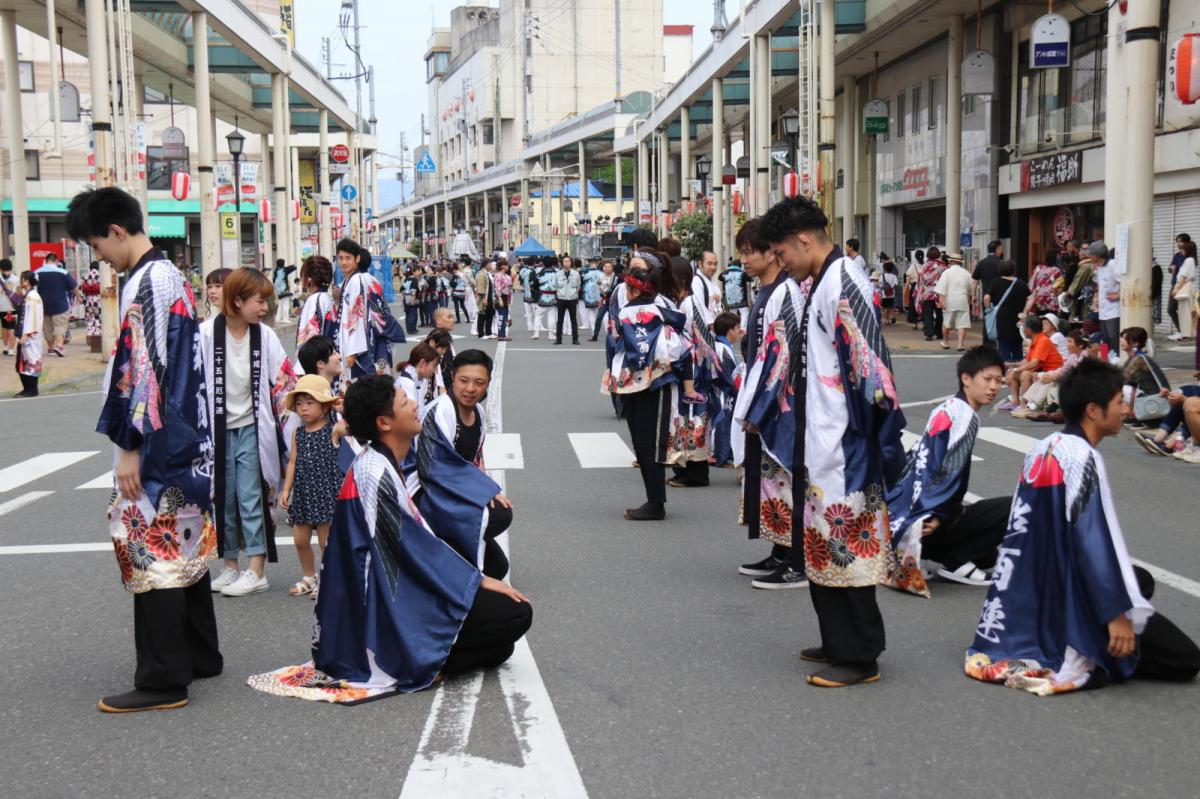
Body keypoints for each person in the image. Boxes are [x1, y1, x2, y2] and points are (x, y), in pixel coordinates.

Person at [248, 375, 532, 703]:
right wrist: (475, 580)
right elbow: (408, 551)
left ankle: (439, 656)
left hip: (383, 586)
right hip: (375, 605)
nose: (414, 404)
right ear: (384, 423)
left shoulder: (380, 459)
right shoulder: (375, 471)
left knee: (501, 644)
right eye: (404, 402)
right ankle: (417, 663)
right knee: (514, 616)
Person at [67, 186, 218, 713]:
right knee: (184, 542)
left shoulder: (149, 282)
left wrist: (130, 444)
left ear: (115, 231)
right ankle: (199, 653)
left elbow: (147, 367)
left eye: (97, 246)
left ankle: (162, 678)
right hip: (183, 436)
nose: (100, 259)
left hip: (158, 440)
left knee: (150, 547)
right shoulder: (168, 275)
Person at [965, 359, 1200, 694]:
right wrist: (1114, 612)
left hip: (1030, 583)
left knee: (1140, 581)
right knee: (1185, 658)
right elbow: (1090, 539)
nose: (1124, 410)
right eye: (1119, 402)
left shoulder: (1045, 447)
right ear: (1093, 409)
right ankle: (1082, 640)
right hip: (1064, 590)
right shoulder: (1083, 458)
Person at [760, 195, 906, 687]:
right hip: (823, 436)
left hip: (847, 441)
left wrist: (875, 439)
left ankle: (861, 654)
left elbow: (870, 367)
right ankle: (838, 640)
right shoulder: (819, 282)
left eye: (781, 253)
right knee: (825, 542)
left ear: (804, 240)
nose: (781, 263)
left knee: (846, 544)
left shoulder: (841, 281)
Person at [200, 268, 296, 598]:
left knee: (251, 496)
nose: (266, 307)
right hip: (218, 431)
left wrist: (295, 426)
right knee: (222, 498)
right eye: (260, 300)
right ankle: (230, 566)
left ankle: (257, 569)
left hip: (254, 430)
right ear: (238, 301)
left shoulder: (265, 336)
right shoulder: (206, 334)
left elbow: (283, 384)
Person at [886, 347, 1010, 595]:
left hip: (906, 520)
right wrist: (937, 512)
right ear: (966, 378)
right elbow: (947, 469)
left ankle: (952, 556)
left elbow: (918, 463)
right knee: (1017, 506)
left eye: (999, 381)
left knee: (989, 557)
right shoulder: (965, 417)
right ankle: (957, 561)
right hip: (929, 520)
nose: (994, 387)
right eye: (987, 379)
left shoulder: (947, 408)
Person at [731, 218, 798, 586]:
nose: (743, 259)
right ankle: (780, 550)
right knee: (770, 481)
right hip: (763, 395)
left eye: (748, 252)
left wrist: (760, 407)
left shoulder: (784, 294)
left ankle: (794, 557)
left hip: (779, 403)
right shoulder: (767, 291)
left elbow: (781, 358)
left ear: (772, 253)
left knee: (783, 479)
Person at [604, 250, 686, 521]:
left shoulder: (646, 310)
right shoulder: (655, 308)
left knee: (646, 442)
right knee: (644, 442)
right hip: (645, 381)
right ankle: (654, 499)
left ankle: (655, 502)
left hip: (644, 382)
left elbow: (616, 343)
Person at [279, 374, 343, 598]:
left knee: (326, 542)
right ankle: (309, 576)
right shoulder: (299, 434)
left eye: (310, 402)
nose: (303, 408)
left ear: (325, 406)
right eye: (299, 403)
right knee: (300, 540)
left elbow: (354, 427)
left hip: (327, 492)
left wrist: (340, 408)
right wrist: (286, 489)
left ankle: (328, 579)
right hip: (304, 493)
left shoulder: (335, 429)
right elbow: (293, 462)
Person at [336, 238, 406, 380]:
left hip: (365, 339)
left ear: (357, 259)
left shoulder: (357, 280)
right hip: (375, 334)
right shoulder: (367, 280)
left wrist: (353, 351)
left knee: (366, 384)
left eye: (348, 258)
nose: (343, 262)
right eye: (340, 258)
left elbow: (358, 315)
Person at [999, 316, 1064, 411]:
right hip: (1041, 372)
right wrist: (1011, 366)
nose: (1023, 330)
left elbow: (1034, 363)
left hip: (1051, 374)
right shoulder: (1037, 340)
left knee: (1024, 374)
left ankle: (1024, 405)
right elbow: (1026, 361)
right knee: (1013, 372)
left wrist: (1016, 369)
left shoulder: (1043, 340)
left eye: (1024, 328)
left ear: (1029, 330)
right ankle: (1015, 402)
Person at [984, 260, 1031, 362]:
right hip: (1017, 319)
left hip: (1002, 318)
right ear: (1014, 270)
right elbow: (1031, 297)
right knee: (1017, 345)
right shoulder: (1021, 283)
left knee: (1003, 345)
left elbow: (987, 298)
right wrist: (1025, 311)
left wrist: (988, 308)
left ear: (1000, 270)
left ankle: (1006, 369)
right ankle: (1017, 369)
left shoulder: (996, 282)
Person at [33, 251, 77, 357]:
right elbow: (74, 287)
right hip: (60, 304)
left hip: (43, 305)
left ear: (45, 260)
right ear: (56, 261)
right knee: (60, 325)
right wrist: (79, 296)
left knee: (47, 327)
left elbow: (32, 288)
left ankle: (51, 348)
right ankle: (60, 346)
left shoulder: (36, 272)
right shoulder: (63, 272)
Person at [296, 255, 337, 352]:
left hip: (316, 361)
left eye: (302, 275)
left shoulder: (314, 300)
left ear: (309, 278)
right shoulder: (326, 298)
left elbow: (308, 339)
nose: (302, 279)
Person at [13, 271, 43, 398]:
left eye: (23, 279)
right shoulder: (29, 295)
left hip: (30, 334)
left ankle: (31, 389)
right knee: (23, 360)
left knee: (30, 360)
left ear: (27, 281)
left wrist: (27, 333)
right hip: (26, 332)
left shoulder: (33, 296)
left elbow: (34, 317)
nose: (21, 281)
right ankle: (27, 388)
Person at [394, 341, 443, 419]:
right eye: (434, 366)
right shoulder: (407, 383)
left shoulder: (416, 377)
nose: (434, 371)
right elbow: (412, 415)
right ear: (422, 363)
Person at [935, 252, 973, 351]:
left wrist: (942, 301)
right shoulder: (966, 273)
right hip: (962, 300)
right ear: (960, 263)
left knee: (946, 322)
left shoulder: (947, 272)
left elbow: (941, 288)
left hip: (950, 300)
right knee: (962, 324)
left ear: (951, 262)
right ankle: (960, 344)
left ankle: (945, 342)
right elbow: (970, 288)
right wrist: (969, 297)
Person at [918, 246, 947, 341]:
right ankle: (939, 333)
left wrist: (920, 294)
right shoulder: (943, 266)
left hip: (928, 293)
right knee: (940, 314)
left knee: (928, 314)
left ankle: (929, 334)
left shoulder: (925, 266)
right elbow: (947, 280)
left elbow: (921, 280)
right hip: (940, 293)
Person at [1170, 239, 1196, 341]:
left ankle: (1186, 334)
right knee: (1186, 311)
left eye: (1183, 249)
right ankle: (1187, 334)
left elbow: (1183, 277)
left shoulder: (1188, 260)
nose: (1182, 251)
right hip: (1188, 288)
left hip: (1184, 288)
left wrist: (1176, 289)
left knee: (1184, 312)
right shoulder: (1192, 260)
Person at [1026, 247, 1064, 316]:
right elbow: (1059, 286)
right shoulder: (1056, 271)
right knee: (1050, 320)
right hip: (1051, 300)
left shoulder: (1038, 268)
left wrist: (1032, 294)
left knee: (1039, 320)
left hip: (1039, 300)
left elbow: (1031, 283)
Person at [554, 254, 581, 345]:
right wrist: (559, 294)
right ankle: (558, 339)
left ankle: (575, 339)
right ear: (562, 263)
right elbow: (556, 286)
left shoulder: (576, 274)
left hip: (572, 299)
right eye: (565, 261)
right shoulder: (558, 274)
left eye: (568, 261)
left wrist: (574, 294)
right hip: (561, 299)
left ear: (571, 263)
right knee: (560, 320)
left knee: (574, 320)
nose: (567, 263)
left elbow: (578, 286)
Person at [720, 255, 750, 328]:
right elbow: (750, 278)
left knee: (732, 313)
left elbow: (720, 277)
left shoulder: (725, 273)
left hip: (730, 298)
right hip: (741, 299)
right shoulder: (742, 273)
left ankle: (732, 328)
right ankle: (742, 328)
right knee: (744, 313)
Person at [693, 250, 723, 318]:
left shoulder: (712, 281)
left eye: (715, 264)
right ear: (700, 264)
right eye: (709, 264)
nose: (713, 267)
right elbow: (699, 308)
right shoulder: (696, 282)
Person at [475, 260, 497, 339]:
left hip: (490, 297)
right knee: (482, 315)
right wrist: (484, 298)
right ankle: (481, 334)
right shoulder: (481, 274)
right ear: (486, 265)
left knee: (490, 314)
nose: (491, 265)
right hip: (484, 298)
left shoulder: (488, 273)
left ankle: (489, 332)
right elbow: (481, 287)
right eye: (490, 264)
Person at [0, 259, 17, 355]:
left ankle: (6, 346)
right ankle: (11, 349)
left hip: (1, 307)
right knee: (11, 327)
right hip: (11, 307)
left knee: (4, 326)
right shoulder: (16, 279)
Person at [494, 260, 514, 341]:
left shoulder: (507, 276)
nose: (508, 267)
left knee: (505, 317)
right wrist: (500, 298)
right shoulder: (498, 276)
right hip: (501, 296)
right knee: (501, 317)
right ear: (503, 266)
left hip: (507, 297)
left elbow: (510, 288)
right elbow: (497, 288)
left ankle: (503, 334)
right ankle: (500, 335)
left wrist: (510, 299)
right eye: (506, 265)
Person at [272, 259, 295, 324]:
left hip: (278, 290)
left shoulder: (276, 271)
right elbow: (293, 267)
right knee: (285, 304)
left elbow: (274, 281)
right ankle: (285, 318)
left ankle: (278, 318)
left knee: (280, 304)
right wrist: (292, 264)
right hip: (284, 289)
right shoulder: (284, 270)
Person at [878, 255, 899, 326]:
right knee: (891, 307)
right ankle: (892, 317)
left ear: (884, 269)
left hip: (884, 294)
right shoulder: (894, 276)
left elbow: (880, 285)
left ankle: (887, 320)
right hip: (892, 294)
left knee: (886, 308)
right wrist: (891, 287)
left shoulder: (882, 276)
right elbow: (896, 284)